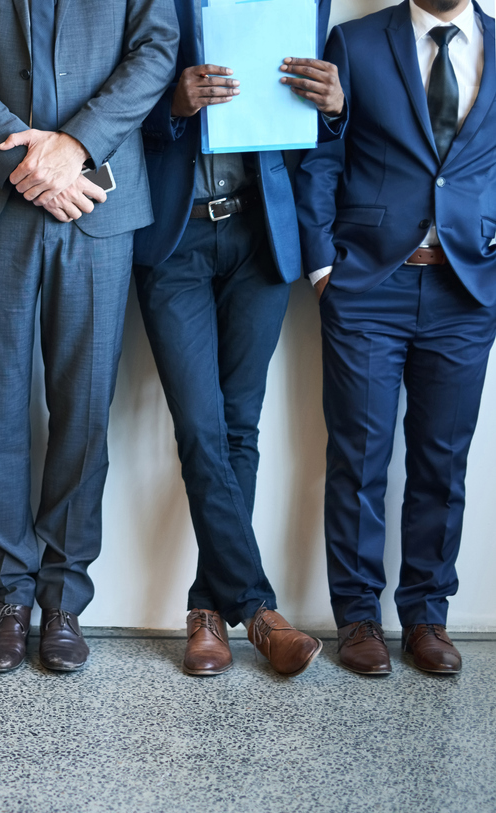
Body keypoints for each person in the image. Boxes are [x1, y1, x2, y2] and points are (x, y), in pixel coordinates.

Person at [0, 0, 177, 673]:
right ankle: (9, 597)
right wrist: (23, 157)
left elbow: (154, 50)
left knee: (84, 407)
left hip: (97, 198)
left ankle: (63, 598)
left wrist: (74, 146)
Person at [131, 0, 343, 677]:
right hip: (174, 236)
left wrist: (333, 107)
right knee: (199, 426)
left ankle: (204, 611)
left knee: (238, 428)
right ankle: (257, 608)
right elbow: (106, 104)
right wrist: (172, 105)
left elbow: (312, 136)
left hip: (261, 235)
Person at [296, 0, 496, 676]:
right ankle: (356, 617)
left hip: (464, 291)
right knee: (358, 456)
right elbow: (321, 154)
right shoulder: (353, 42)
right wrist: (323, 265)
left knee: (443, 461)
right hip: (367, 286)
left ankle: (426, 616)